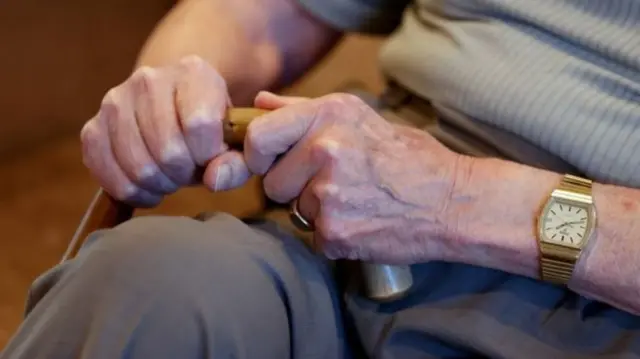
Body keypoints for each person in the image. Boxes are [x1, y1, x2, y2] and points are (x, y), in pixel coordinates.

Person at [2, 0, 640, 358]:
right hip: (365, 206)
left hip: (605, 278)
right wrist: (171, 98)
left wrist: (451, 200)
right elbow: (260, 15)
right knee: (149, 282)